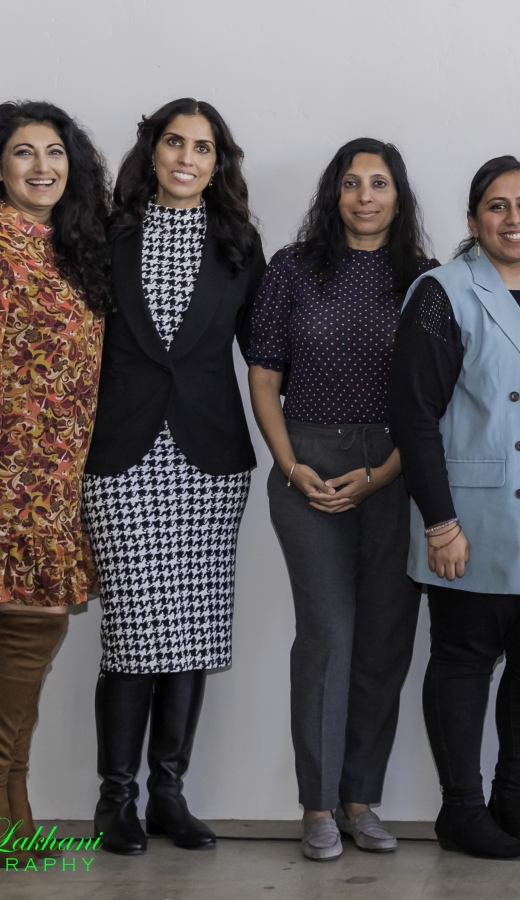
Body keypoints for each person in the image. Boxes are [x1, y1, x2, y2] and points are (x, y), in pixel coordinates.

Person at [390, 156, 520, 862]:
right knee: (463, 662)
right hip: (474, 520)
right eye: (497, 207)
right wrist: (440, 522)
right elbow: (413, 418)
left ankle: (515, 798)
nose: (514, 220)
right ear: (474, 219)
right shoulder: (442, 292)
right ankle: (461, 809)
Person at [82, 98, 265, 856]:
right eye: (174, 143)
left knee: (189, 633)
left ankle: (168, 796)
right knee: (131, 635)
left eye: (203, 147)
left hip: (208, 460)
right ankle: (113, 801)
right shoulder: (103, 232)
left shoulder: (238, 242)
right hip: (121, 454)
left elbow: (266, 347)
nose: (187, 157)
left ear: (218, 162)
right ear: (152, 151)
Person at [248, 139, 436, 862]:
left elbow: (435, 391)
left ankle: (362, 800)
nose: (365, 196)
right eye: (352, 183)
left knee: (386, 639)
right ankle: (318, 805)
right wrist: (291, 466)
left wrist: (388, 470)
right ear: (334, 194)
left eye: (380, 183)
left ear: (399, 195)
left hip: (395, 465)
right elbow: (265, 376)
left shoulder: (424, 278)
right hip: (308, 463)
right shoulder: (293, 270)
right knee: (328, 634)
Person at [0, 100, 111, 867]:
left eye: (54, 152)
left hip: (51, 496)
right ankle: (13, 827)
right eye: (22, 153)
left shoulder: (81, 250)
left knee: (19, 690)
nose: (42, 167)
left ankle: (15, 820)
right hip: (4, 483)